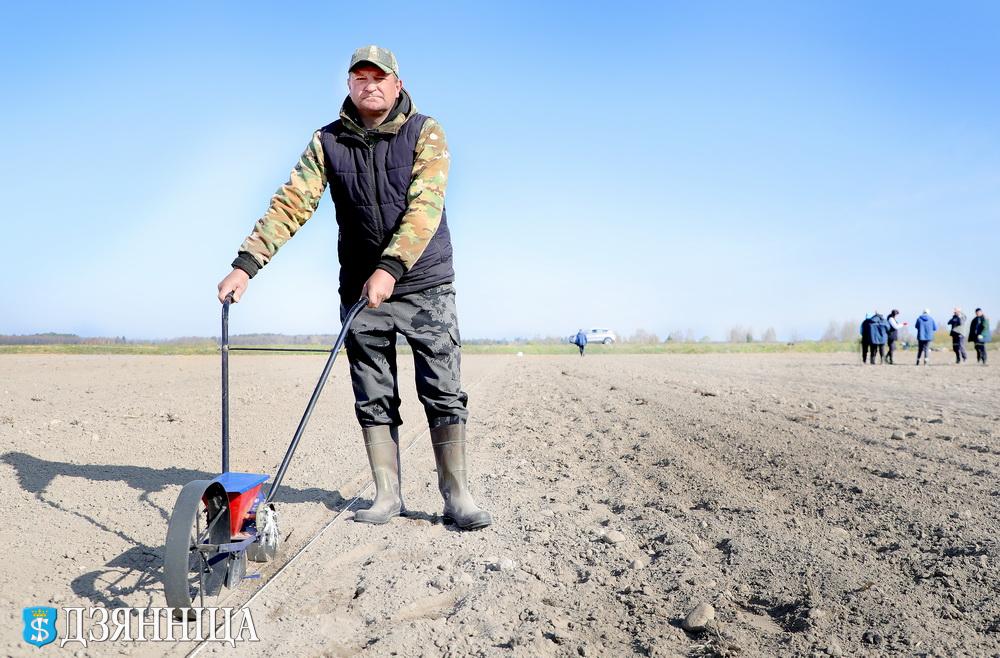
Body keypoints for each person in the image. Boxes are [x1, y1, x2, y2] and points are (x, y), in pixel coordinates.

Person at [215, 46, 491, 530]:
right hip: (362, 289)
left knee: (443, 391)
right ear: (349, 85)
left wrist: (391, 267)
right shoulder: (327, 141)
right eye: (360, 77)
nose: (370, 85)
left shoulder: (425, 131)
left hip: (424, 283)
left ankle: (457, 496)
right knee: (372, 392)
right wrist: (246, 265)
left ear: (397, 84)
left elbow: (425, 207)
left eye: (379, 77)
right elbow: (291, 203)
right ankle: (387, 495)